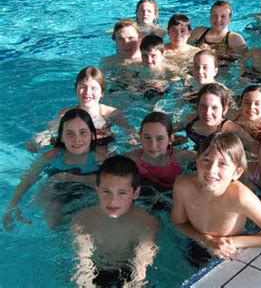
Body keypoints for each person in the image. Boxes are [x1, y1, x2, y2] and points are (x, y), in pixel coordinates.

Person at [172, 132, 261, 259]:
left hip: (229, 249)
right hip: (196, 241)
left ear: (237, 172)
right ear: (197, 162)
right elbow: (179, 223)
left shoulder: (240, 197)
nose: (212, 170)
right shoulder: (183, 187)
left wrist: (231, 242)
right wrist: (207, 240)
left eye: (222, 163)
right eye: (206, 160)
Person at [4, 109, 109, 231]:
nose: (77, 139)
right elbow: (27, 179)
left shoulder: (100, 156)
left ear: (91, 135)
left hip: (89, 191)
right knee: (52, 215)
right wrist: (11, 206)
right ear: (62, 137)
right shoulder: (52, 156)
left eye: (82, 132)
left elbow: (111, 182)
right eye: (70, 133)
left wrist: (74, 178)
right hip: (57, 190)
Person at [71, 155, 158, 287]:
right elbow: (83, 262)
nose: (112, 201)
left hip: (129, 270)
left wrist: (135, 284)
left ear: (135, 193)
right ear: (97, 189)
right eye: (106, 191)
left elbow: (141, 265)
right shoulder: (83, 221)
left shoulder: (145, 223)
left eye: (122, 193)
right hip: (96, 268)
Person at [27, 66, 136, 152]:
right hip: (74, 151)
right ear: (76, 90)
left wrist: (132, 139)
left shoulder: (113, 114)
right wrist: (38, 139)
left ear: (102, 92)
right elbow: (50, 132)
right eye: (82, 88)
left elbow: (129, 132)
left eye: (93, 88)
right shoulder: (65, 114)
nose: (87, 93)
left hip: (102, 151)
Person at [126, 112, 196, 190]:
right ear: (140, 137)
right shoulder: (131, 159)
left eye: (159, 138)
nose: (153, 145)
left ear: (171, 139)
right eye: (147, 137)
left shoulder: (181, 157)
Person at [185, 83, 258, 153]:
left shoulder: (228, 128)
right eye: (203, 106)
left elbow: (255, 148)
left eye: (214, 107)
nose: (207, 112)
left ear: (224, 109)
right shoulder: (191, 120)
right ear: (197, 106)